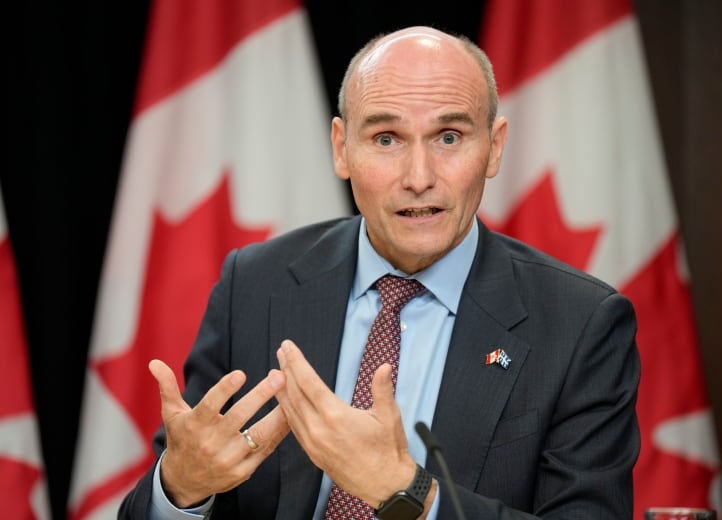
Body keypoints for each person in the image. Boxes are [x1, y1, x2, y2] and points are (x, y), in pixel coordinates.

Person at [118, 25, 640, 519]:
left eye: (450, 137)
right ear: (342, 148)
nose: (419, 178)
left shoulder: (581, 325)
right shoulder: (255, 285)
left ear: (494, 147)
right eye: (387, 139)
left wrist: (408, 495)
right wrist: (180, 489)